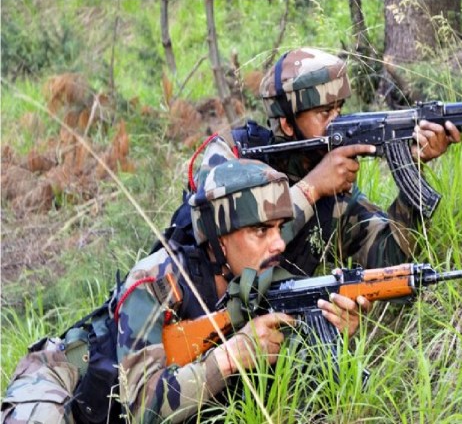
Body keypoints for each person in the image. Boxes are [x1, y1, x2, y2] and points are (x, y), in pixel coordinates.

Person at [2, 159, 371, 424]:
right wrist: (230, 357)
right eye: (262, 230)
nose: (278, 242)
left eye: (280, 227)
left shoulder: (262, 271)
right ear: (221, 239)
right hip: (65, 385)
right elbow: (142, 410)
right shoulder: (156, 282)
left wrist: (337, 338)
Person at [189, 47, 462, 278]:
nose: (337, 121)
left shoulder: (333, 193)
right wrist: (312, 189)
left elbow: (390, 261)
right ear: (287, 122)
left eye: (340, 109)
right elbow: (223, 241)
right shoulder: (232, 154)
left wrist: (411, 168)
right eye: (324, 112)